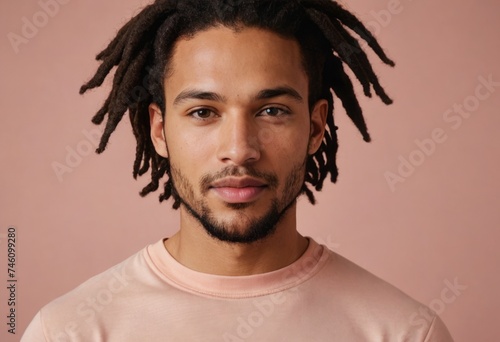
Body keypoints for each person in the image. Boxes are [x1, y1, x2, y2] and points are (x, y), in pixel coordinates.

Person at [22, 0, 454, 340]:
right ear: (159, 130)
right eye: (204, 111)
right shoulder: (67, 332)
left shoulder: (404, 332)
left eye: (271, 110)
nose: (239, 150)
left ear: (316, 127)